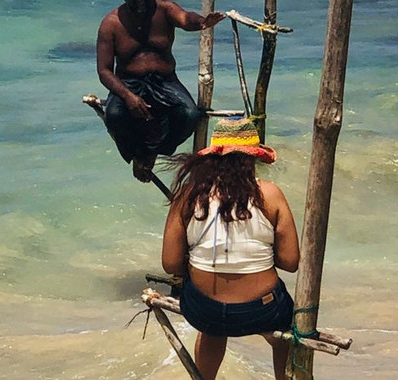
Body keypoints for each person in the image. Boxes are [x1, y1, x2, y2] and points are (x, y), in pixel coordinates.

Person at [160, 117, 300, 380]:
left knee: (212, 330)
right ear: (253, 159)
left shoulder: (188, 196)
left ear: (212, 158)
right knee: (285, 335)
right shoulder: (270, 194)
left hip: (205, 309)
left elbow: (170, 264)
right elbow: (291, 262)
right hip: (262, 308)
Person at [96, 0, 225, 182]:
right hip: (128, 82)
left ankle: (153, 151)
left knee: (189, 114)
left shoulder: (165, 9)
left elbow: (186, 18)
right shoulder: (111, 23)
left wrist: (202, 22)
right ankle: (137, 153)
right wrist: (128, 96)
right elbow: (104, 71)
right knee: (115, 115)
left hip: (164, 81)